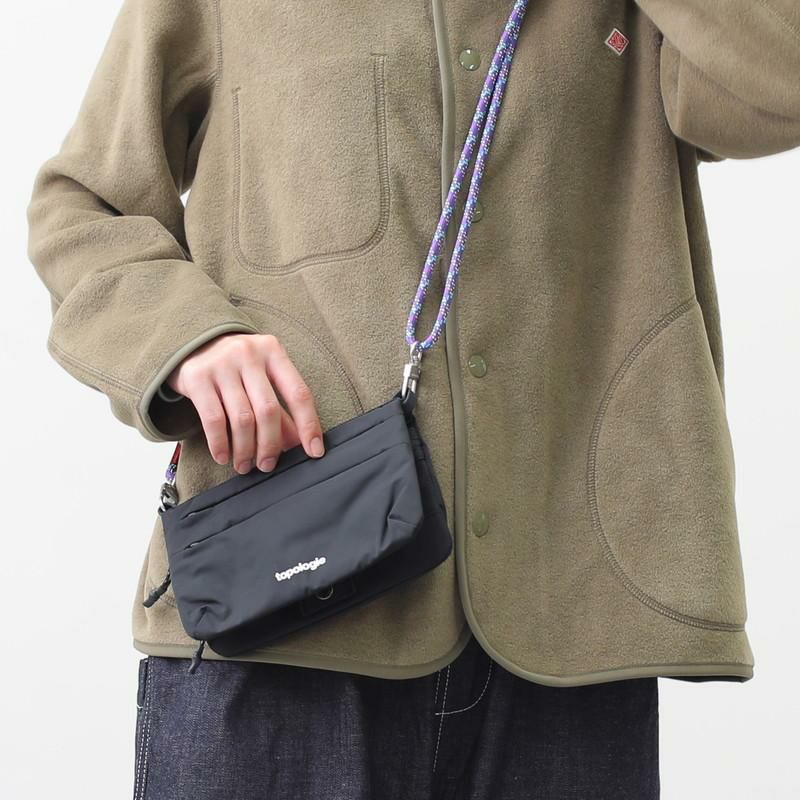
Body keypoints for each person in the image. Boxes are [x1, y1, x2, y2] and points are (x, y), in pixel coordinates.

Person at [26, 1, 799, 798]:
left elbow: (782, 79)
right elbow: (84, 206)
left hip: (569, 623)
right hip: (281, 611)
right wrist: (186, 339)